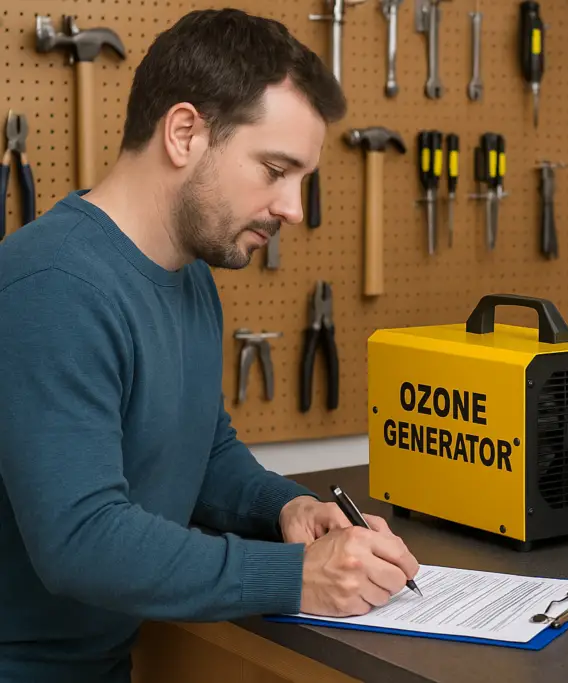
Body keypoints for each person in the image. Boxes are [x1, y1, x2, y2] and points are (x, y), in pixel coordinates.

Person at [0, 9, 419, 682]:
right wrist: (296, 575)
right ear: (185, 132)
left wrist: (286, 507)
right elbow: (80, 541)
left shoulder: (190, 276)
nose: (294, 209)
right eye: (276, 169)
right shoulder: (52, 286)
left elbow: (203, 447)